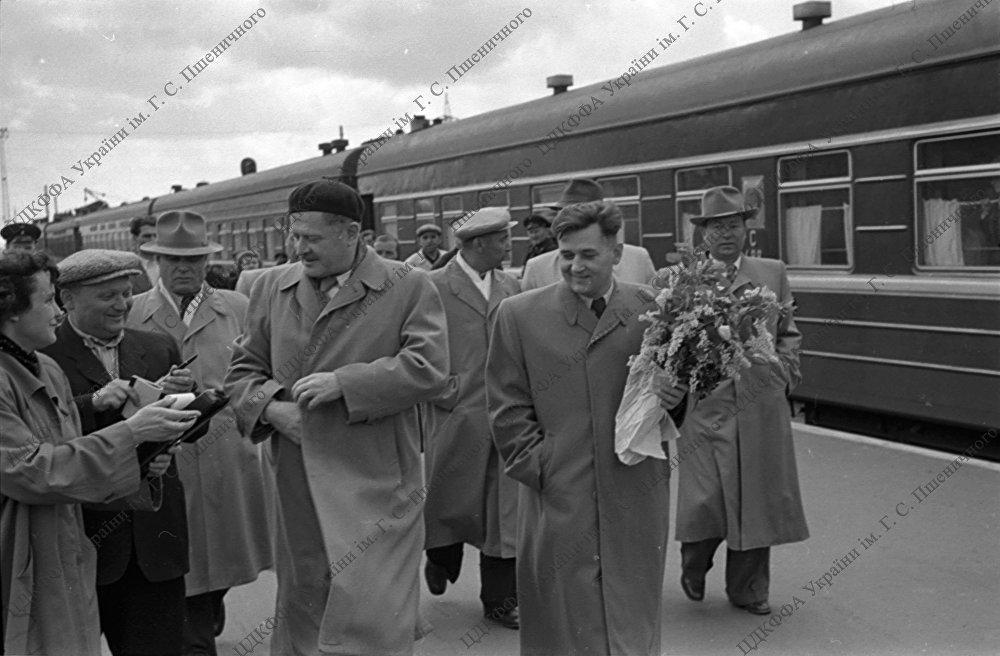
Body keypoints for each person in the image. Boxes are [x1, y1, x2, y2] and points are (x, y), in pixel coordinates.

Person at [224, 179, 450, 656]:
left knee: (373, 610)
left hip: (378, 477)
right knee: (306, 599)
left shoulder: (408, 285)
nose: (298, 248)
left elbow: (429, 367)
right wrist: (272, 409)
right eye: (293, 235)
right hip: (298, 478)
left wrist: (345, 383)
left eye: (311, 238)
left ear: (351, 234)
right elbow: (242, 373)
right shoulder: (271, 286)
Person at [487, 200, 687, 656]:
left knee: (630, 614)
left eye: (588, 255)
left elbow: (676, 396)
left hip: (634, 489)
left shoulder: (655, 309)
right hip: (559, 493)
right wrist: (543, 467)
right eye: (567, 255)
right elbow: (505, 408)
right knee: (565, 620)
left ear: (616, 253)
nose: (575, 266)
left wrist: (676, 400)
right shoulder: (518, 315)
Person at [0, 250, 198, 655]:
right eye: (48, 300)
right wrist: (131, 433)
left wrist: (142, 464)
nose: (57, 313)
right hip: (21, 556)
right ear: (12, 311)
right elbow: (30, 470)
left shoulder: (44, 368)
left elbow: (72, 458)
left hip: (63, 552)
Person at [129, 211, 273, 655]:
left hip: (227, 453)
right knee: (181, 564)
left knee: (224, 555)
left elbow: (263, 372)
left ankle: (211, 603)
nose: (184, 268)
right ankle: (198, 624)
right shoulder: (133, 312)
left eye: (193, 259)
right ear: (156, 260)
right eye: (173, 259)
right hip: (167, 459)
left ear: (207, 261)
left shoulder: (238, 307)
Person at [675, 186, 808, 615]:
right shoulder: (687, 279)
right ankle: (695, 561)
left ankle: (749, 590)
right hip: (707, 406)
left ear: (746, 229)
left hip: (760, 403)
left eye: (733, 225)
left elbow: (788, 330)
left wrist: (784, 373)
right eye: (716, 227)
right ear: (703, 234)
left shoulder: (772, 272)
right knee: (706, 496)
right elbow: (668, 340)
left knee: (757, 497)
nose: (725, 234)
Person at [422, 208, 521, 629]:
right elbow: (415, 345)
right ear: (478, 243)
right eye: (502, 239)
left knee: (503, 511)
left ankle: (500, 601)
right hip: (456, 414)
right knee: (450, 498)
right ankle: (440, 559)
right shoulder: (431, 286)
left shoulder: (510, 285)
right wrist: (446, 388)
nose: (508, 245)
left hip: (505, 412)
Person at [520, 179, 656, 290]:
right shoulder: (537, 269)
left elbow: (653, 304)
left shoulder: (638, 259)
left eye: (582, 216)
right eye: (563, 215)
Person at [130, 216, 159, 294]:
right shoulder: (129, 270)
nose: (153, 240)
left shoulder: (170, 264)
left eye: (156, 236)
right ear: (135, 238)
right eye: (147, 236)